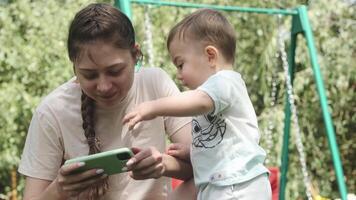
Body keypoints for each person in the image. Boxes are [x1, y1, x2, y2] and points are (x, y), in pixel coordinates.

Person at [18, 3, 196, 200]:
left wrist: (163, 164)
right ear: (74, 66)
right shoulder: (52, 111)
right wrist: (59, 190)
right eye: (89, 75)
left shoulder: (155, 84)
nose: (104, 86)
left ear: (135, 55)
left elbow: (205, 164)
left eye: (115, 71)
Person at [123, 8, 272, 200]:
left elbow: (199, 101)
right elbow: (223, 143)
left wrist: (152, 107)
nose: (179, 74)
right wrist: (195, 152)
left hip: (238, 185)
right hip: (222, 185)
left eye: (180, 64)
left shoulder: (225, 81)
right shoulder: (216, 95)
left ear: (210, 56)